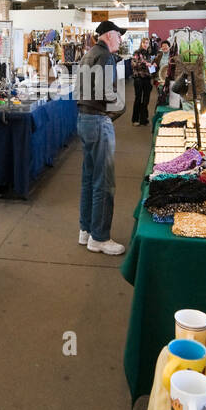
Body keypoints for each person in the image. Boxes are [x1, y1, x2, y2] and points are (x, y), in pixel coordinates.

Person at [74, 20, 126, 254]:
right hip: (97, 119)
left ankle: (86, 230)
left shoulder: (89, 54)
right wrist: (119, 106)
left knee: (89, 178)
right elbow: (107, 93)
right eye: (118, 35)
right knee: (103, 182)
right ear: (108, 35)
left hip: (85, 119)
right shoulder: (104, 56)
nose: (121, 39)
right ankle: (100, 237)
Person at [153, 39, 176, 115]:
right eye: (162, 46)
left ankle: (169, 111)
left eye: (166, 46)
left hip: (170, 79)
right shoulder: (159, 56)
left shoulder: (173, 56)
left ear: (169, 47)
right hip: (159, 79)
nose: (164, 47)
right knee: (161, 94)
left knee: (170, 95)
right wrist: (153, 66)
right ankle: (159, 112)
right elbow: (152, 67)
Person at [130, 49, 152, 125]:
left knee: (146, 100)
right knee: (138, 98)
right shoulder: (136, 53)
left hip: (147, 78)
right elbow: (133, 65)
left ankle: (144, 119)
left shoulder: (148, 54)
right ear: (141, 43)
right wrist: (142, 62)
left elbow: (151, 67)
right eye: (144, 43)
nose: (145, 44)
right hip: (138, 78)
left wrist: (152, 65)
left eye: (147, 43)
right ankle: (135, 119)